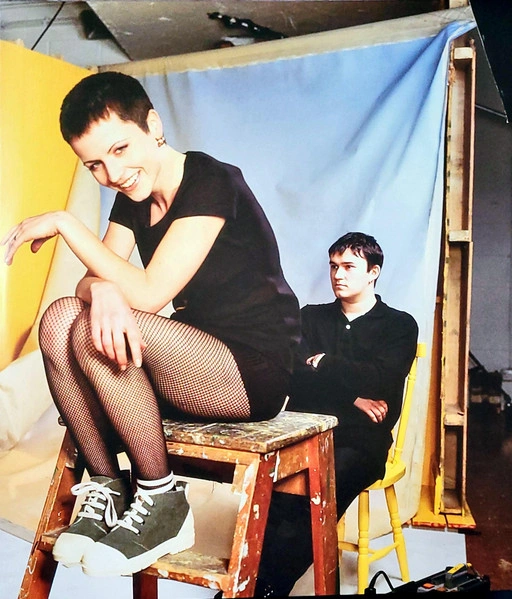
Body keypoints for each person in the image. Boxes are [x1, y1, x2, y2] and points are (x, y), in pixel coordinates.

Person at [1, 71, 300, 578]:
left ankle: (162, 501)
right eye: (94, 164)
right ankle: (108, 488)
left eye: (119, 149)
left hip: (254, 369)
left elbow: (149, 292)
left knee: (90, 333)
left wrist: (67, 224)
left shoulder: (212, 181)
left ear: (153, 126)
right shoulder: (134, 195)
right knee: (58, 319)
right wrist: (105, 292)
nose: (113, 173)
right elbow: (89, 284)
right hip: (188, 361)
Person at [255, 232, 419, 597]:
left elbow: (382, 379)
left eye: (348, 266)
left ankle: (266, 588)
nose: (337, 275)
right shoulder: (310, 317)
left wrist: (325, 363)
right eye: (333, 266)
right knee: (276, 494)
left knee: (319, 491)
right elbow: (292, 377)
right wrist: (354, 398)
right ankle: (254, 582)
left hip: (361, 441)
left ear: (373, 272)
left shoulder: (399, 325)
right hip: (304, 432)